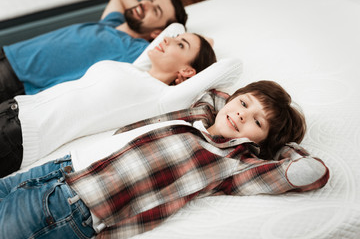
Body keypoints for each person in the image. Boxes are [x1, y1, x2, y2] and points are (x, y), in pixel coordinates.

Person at [0, 80, 330, 239]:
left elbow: (308, 172)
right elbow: (215, 93)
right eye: (244, 103)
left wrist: (277, 145)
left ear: (260, 141)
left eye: (257, 122)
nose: (243, 116)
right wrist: (240, 107)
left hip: (75, 205)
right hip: (61, 168)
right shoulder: (196, 116)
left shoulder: (231, 161)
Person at [0, 32, 217, 178]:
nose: (168, 39)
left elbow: (231, 66)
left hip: (18, 136)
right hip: (14, 108)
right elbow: (174, 27)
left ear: (188, 72)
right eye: (174, 38)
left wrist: (208, 46)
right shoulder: (136, 68)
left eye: (181, 44)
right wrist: (190, 39)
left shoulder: (161, 97)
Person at [0, 0, 187, 101]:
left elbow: (178, 31)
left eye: (156, 11)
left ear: (158, 33)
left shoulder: (135, 50)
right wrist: (145, 9)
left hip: (16, 80)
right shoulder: (111, 23)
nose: (145, 4)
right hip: (8, 53)